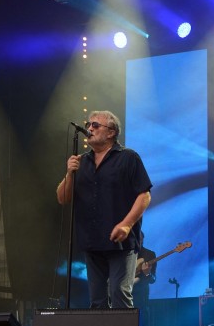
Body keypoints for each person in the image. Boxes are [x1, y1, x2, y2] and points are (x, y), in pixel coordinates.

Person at [57, 110, 152, 309]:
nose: (89, 128)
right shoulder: (81, 162)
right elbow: (62, 198)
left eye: (95, 125)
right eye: (88, 124)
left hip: (121, 242)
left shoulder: (128, 157)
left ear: (111, 132)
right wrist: (69, 173)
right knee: (97, 300)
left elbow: (144, 196)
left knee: (119, 293)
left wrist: (126, 224)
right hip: (92, 241)